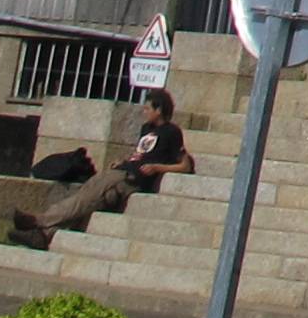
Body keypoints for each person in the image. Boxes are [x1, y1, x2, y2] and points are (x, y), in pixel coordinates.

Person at [11, 90, 191, 248]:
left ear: (159, 110)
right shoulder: (146, 128)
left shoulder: (172, 132)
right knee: (89, 196)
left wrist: (157, 167)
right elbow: (141, 153)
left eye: (148, 109)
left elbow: (185, 166)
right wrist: (123, 159)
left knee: (86, 198)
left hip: (133, 179)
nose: (144, 112)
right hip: (121, 171)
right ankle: (45, 234)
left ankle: (38, 221)